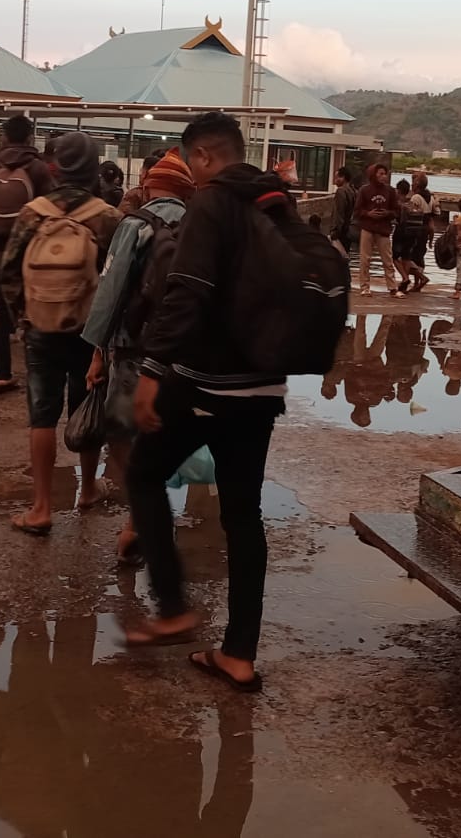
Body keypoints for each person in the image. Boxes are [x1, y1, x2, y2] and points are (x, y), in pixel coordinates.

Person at [122, 111, 290, 693]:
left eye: (189, 161)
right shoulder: (277, 203)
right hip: (263, 386)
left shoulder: (212, 203)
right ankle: (238, 654)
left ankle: (172, 608)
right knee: (244, 514)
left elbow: (186, 291)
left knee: (143, 474)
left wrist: (151, 372)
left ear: (202, 156)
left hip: (206, 382)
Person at [0, 131, 121, 535]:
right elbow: (118, 280)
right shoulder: (107, 217)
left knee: (42, 416)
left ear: (56, 167)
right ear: (94, 168)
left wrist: (24, 317)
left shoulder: (33, 213)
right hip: (90, 333)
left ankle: (41, 507)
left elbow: (8, 271)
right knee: (87, 407)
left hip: (42, 327)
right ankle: (87, 489)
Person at [82, 147, 196, 566]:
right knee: (164, 429)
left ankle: (139, 517)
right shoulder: (201, 228)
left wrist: (98, 353)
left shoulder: (134, 225)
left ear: (149, 187)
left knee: (123, 430)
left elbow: (110, 292)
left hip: (134, 347)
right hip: (183, 350)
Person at [0, 116, 55, 393]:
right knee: (32, 312)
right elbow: (51, 207)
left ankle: (2, 373)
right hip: (29, 251)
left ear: (5, 137)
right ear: (30, 137)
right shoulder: (37, 168)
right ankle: (37, 373)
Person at [354, 162, 402, 297]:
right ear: (373, 175)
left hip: (383, 229)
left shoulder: (390, 191)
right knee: (365, 259)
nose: (383, 176)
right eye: (380, 174)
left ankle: (393, 287)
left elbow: (396, 211)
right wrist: (368, 214)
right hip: (367, 227)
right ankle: (364, 287)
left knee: (387, 259)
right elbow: (357, 211)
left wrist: (387, 213)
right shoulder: (364, 190)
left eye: (385, 174)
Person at [393, 178, 430, 293]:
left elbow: (396, 219)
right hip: (413, 234)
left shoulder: (399, 205)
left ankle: (405, 278)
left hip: (401, 233)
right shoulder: (412, 203)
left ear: (398, 190)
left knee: (394, 257)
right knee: (406, 258)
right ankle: (416, 279)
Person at [330, 165, 358, 252]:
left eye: (337, 177)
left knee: (338, 253)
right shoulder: (354, 191)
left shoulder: (341, 191)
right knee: (346, 252)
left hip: (342, 230)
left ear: (343, 178)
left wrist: (335, 230)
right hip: (350, 228)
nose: (335, 180)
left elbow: (339, 212)